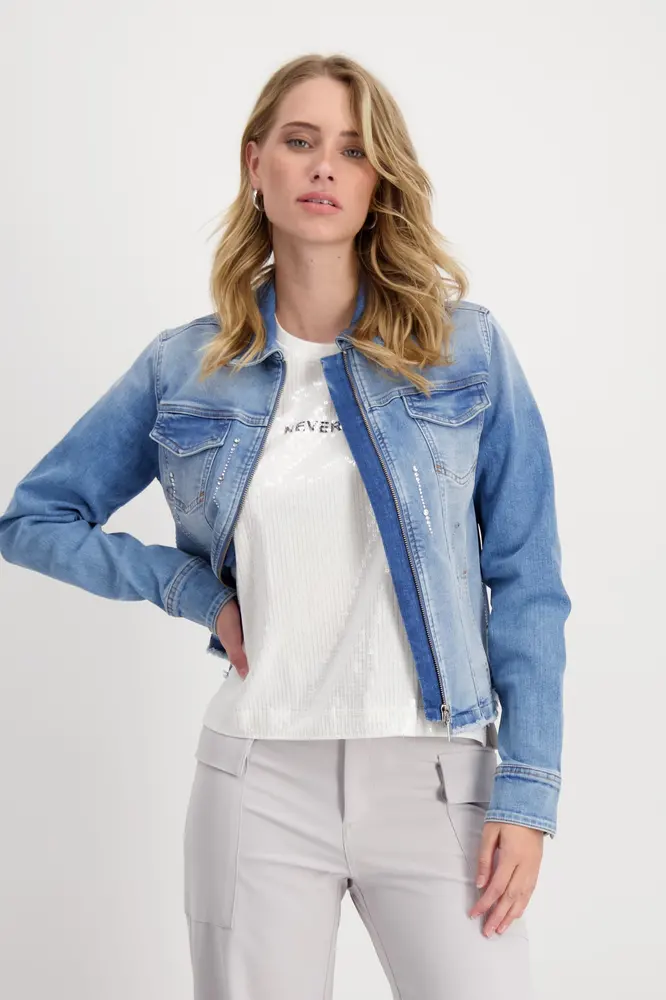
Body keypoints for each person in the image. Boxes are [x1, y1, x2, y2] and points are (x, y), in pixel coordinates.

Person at [0, 52, 571, 999]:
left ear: (379, 180)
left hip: (437, 779)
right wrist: (195, 595)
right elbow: (35, 519)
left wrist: (531, 788)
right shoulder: (184, 367)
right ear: (254, 163)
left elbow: (527, 576)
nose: (324, 168)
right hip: (256, 783)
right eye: (300, 142)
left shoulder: (463, 350)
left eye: (352, 150)